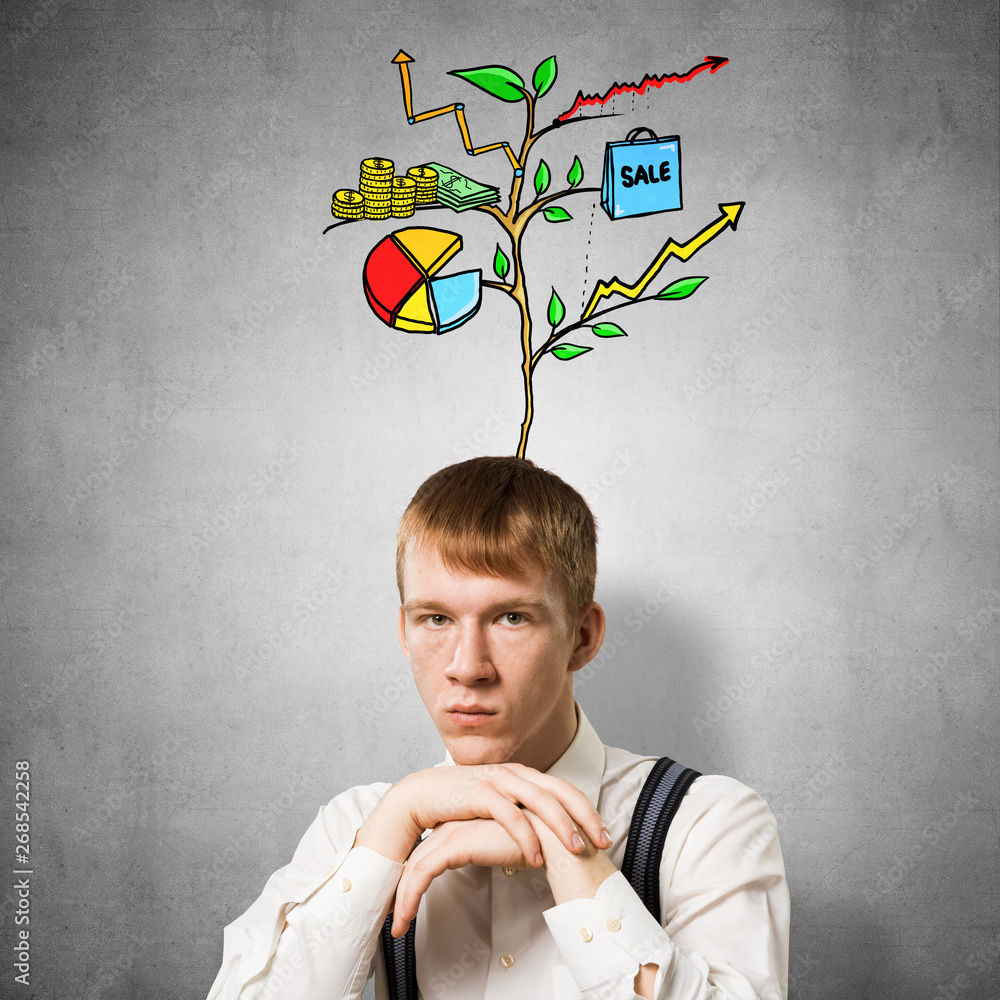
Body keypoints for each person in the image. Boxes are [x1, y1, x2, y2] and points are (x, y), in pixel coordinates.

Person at [206, 456, 789, 1000]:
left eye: (511, 617)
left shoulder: (708, 824)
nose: (466, 667)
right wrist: (397, 823)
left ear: (582, 637)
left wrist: (570, 852)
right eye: (435, 618)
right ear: (405, 634)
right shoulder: (355, 829)